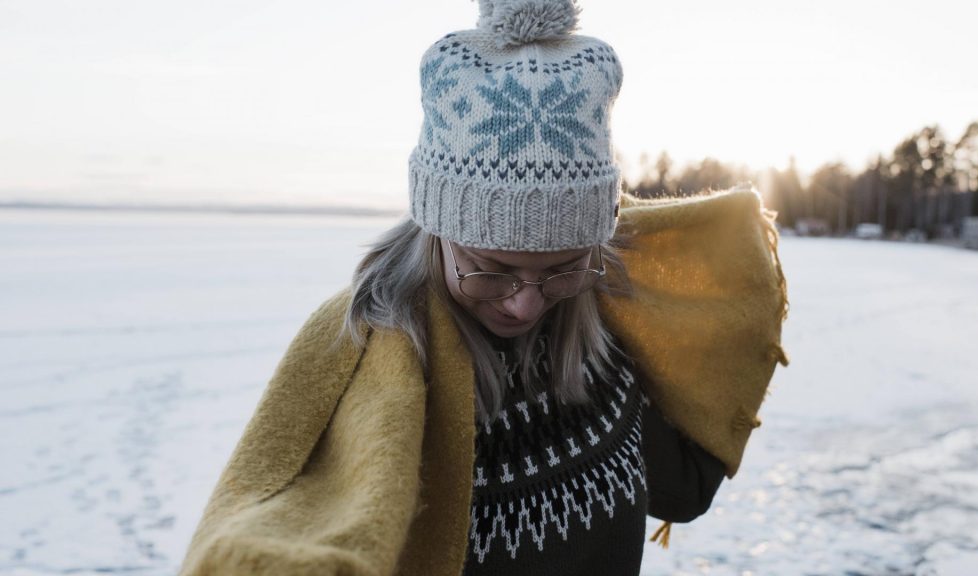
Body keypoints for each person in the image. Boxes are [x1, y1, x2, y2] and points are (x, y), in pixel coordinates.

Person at [180, 1, 788, 574]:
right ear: (437, 233)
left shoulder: (598, 343)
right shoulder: (368, 353)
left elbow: (683, 491)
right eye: (491, 269)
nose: (526, 303)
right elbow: (284, 532)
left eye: (561, 269)